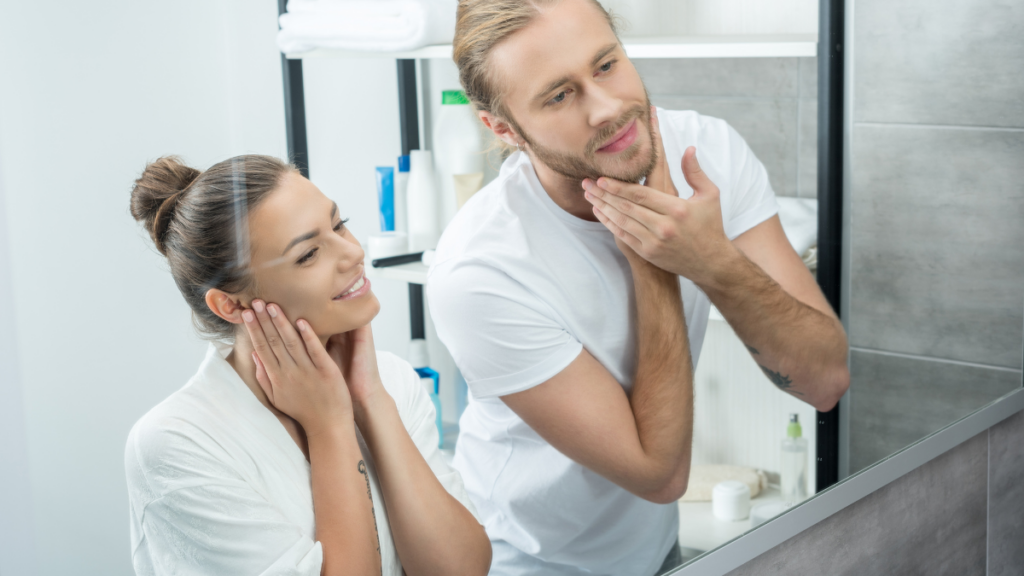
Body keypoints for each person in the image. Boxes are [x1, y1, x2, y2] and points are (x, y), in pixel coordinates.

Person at [426, 1, 851, 574]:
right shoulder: (481, 272)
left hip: (655, 551)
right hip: (528, 562)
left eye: (606, 64)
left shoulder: (708, 151)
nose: (608, 108)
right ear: (503, 128)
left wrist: (714, 260)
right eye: (559, 95)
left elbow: (826, 380)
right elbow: (659, 475)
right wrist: (654, 260)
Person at [124, 155, 491, 576]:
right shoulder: (177, 443)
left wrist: (371, 403)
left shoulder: (389, 380)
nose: (353, 252)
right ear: (230, 304)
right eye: (309, 253)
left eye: (339, 224)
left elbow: (462, 570)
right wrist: (330, 426)